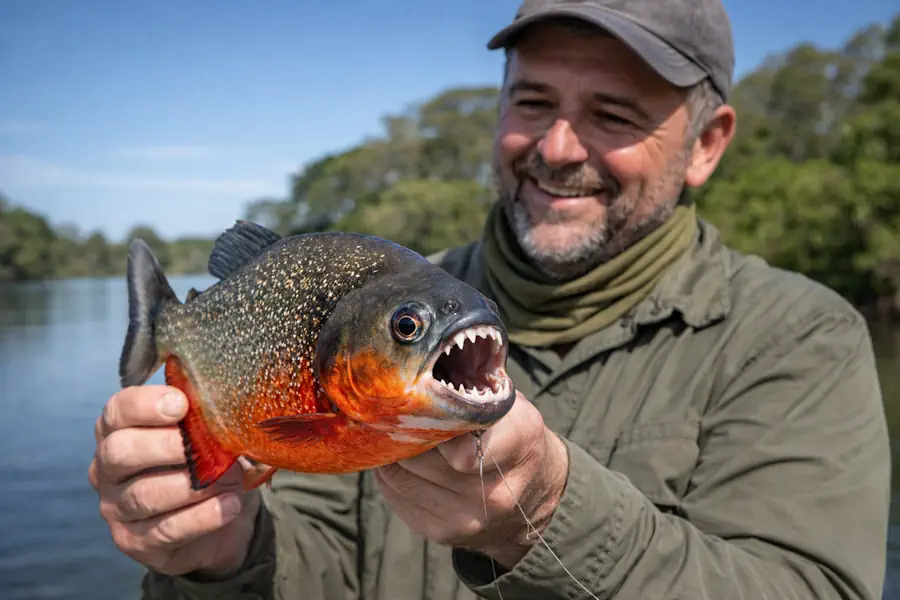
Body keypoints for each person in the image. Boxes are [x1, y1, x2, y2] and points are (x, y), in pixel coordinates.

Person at [88, 0, 892, 598]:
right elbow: (315, 563)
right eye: (534, 101)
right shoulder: (378, 314)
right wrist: (219, 556)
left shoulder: (802, 339)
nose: (557, 147)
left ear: (707, 143)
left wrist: (549, 517)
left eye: (613, 114)